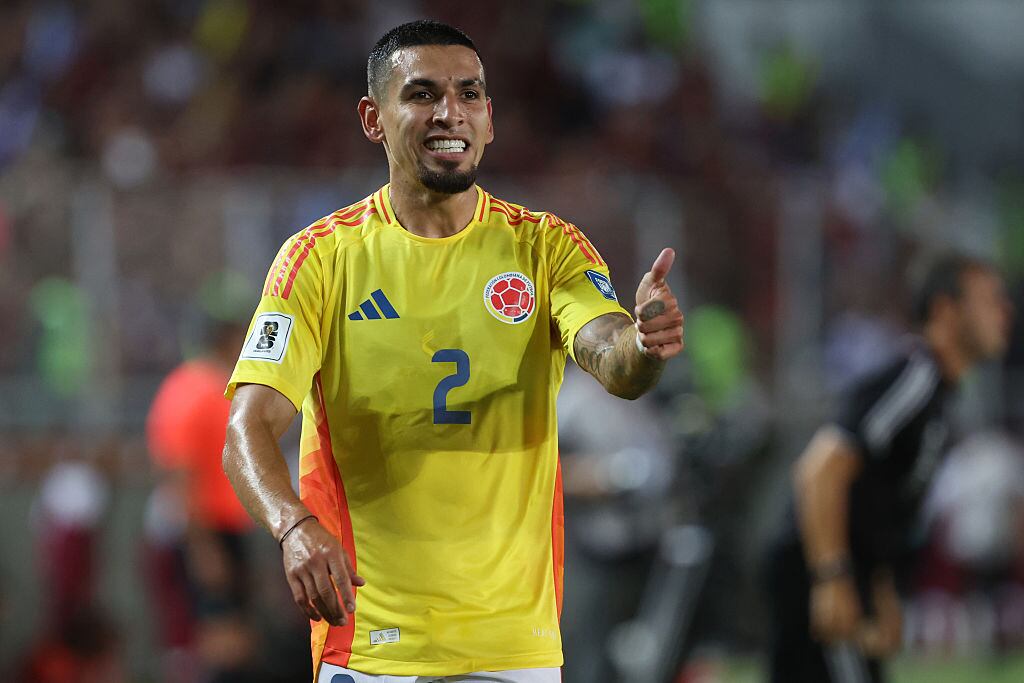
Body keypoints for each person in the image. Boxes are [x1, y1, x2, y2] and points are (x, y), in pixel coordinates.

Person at [221, 19, 685, 683]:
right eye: (422, 94)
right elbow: (246, 428)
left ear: (490, 119)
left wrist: (642, 345)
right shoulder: (319, 260)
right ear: (372, 118)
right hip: (373, 644)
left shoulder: (547, 248)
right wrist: (293, 526)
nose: (450, 113)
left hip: (513, 646)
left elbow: (610, 356)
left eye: (469, 95)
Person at [764, 254, 1014, 683]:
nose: (1006, 312)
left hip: (846, 573)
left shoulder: (937, 393)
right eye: (990, 300)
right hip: (818, 569)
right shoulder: (914, 378)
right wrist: (832, 577)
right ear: (945, 311)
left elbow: (880, 502)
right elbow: (820, 469)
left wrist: (881, 591)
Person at [146, 317, 256, 682]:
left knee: (231, 637)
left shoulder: (202, 387)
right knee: (221, 640)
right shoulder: (196, 391)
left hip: (219, 527)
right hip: (207, 530)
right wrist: (203, 547)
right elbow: (180, 475)